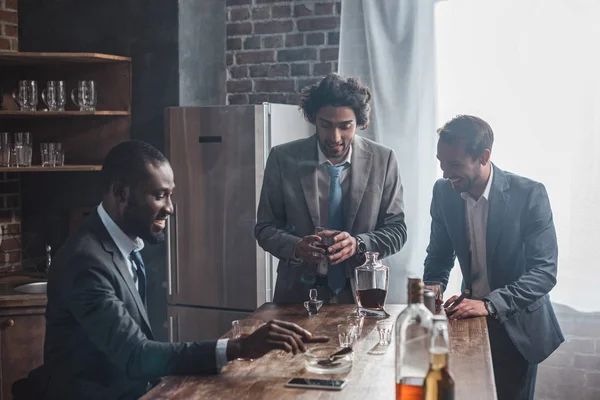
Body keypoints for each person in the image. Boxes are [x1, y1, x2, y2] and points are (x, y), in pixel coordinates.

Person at [26, 140, 313, 400]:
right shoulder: (86, 262)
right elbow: (136, 355)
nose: (170, 209)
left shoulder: (124, 245)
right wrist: (238, 348)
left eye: (170, 195)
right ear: (120, 192)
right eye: (160, 195)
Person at [423, 115, 564, 400]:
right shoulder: (443, 192)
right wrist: (433, 285)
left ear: (483, 157)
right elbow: (439, 254)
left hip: (517, 326)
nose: (445, 172)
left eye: (453, 165)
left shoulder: (530, 194)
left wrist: (489, 304)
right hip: (467, 322)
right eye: (441, 162)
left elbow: (544, 272)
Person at [255, 73, 407, 304]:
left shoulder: (383, 159)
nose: (334, 137)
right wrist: (296, 247)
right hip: (296, 295)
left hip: (362, 294)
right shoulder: (282, 158)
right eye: (325, 125)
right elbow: (265, 228)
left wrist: (358, 244)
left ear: (360, 123)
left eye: (345, 126)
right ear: (314, 119)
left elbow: (397, 231)